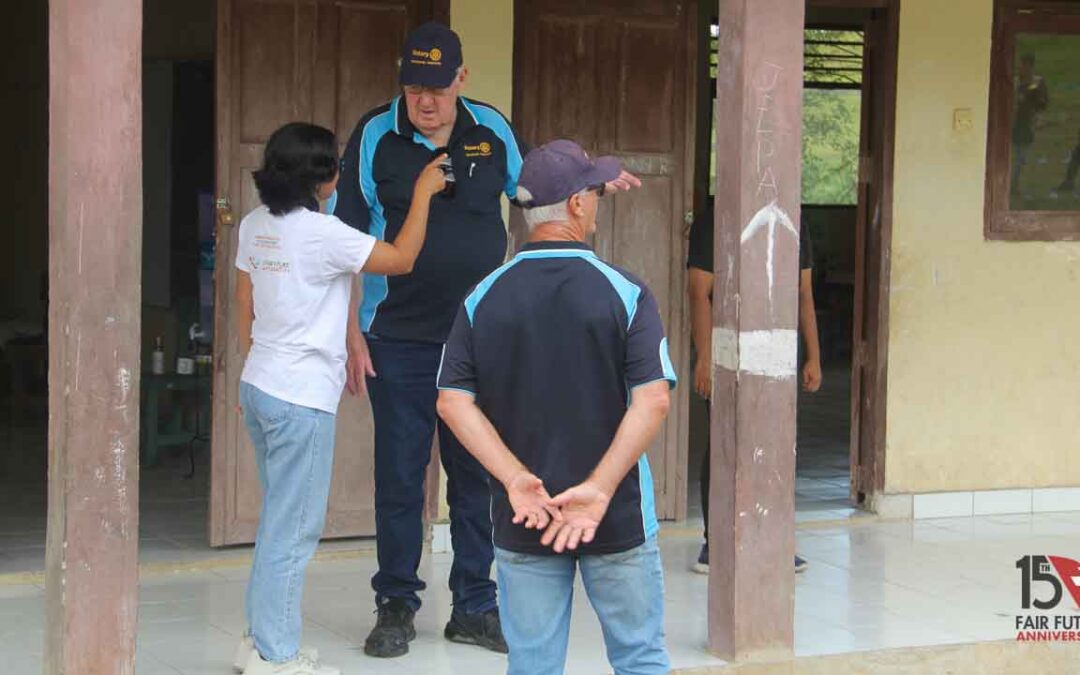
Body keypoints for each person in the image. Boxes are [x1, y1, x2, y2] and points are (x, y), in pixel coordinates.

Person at [332, 21, 639, 658]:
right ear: (402, 83)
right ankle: (396, 603)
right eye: (416, 87)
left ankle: (474, 603)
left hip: (476, 338)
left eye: (439, 88)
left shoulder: (491, 130)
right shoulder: (372, 136)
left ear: (460, 80)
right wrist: (349, 332)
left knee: (477, 476)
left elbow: (540, 194)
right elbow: (345, 243)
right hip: (395, 336)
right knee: (400, 474)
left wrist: (595, 185)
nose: (427, 101)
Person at [437, 139, 676, 675]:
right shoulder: (626, 292)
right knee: (639, 658)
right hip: (613, 514)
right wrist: (598, 489)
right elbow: (653, 399)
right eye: (593, 190)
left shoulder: (483, 296)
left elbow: (453, 402)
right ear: (576, 205)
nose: (596, 199)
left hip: (528, 514)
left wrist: (516, 478)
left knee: (533, 665)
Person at [233, 122, 445, 675]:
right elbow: (400, 260)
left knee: (276, 521)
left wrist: (260, 367)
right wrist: (422, 193)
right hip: (301, 400)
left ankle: (260, 640)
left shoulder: (256, 226)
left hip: (261, 386)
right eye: (336, 165)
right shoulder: (325, 234)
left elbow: (244, 306)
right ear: (321, 178)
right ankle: (276, 657)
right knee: (293, 529)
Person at [687, 196, 821, 576]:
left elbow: (803, 292)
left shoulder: (793, 222)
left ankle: (774, 540)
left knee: (776, 445)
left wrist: (813, 355)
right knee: (725, 445)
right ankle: (715, 544)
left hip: (776, 351)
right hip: (728, 350)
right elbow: (699, 291)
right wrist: (705, 356)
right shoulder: (715, 220)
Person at [1011, 54, 1049, 198]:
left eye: (1023, 65)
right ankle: (1015, 185)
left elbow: (1043, 103)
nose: (1020, 68)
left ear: (1030, 66)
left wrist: (1032, 100)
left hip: (1027, 123)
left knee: (1023, 156)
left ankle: (1017, 186)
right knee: (1016, 156)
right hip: (1013, 122)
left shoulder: (1037, 82)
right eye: (1020, 65)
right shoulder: (1015, 82)